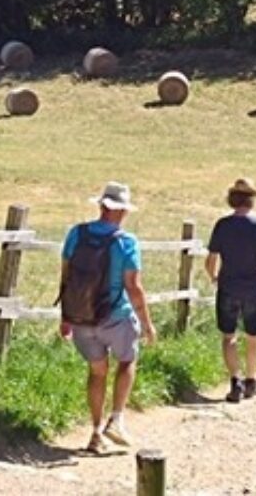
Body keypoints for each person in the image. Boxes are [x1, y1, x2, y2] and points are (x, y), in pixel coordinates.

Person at [59, 182, 156, 454]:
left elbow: (66, 276)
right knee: (127, 361)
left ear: (101, 206)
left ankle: (95, 432)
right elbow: (133, 287)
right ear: (123, 211)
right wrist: (147, 323)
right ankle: (116, 419)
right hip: (116, 316)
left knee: (97, 371)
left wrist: (65, 315)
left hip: (81, 317)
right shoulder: (126, 242)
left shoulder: (77, 234)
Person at [204, 178, 256, 403]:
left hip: (228, 286)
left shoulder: (222, 225)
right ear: (251, 200)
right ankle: (252, 379)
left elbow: (210, 260)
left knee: (229, 336)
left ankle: (235, 381)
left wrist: (215, 277)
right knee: (253, 335)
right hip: (253, 287)